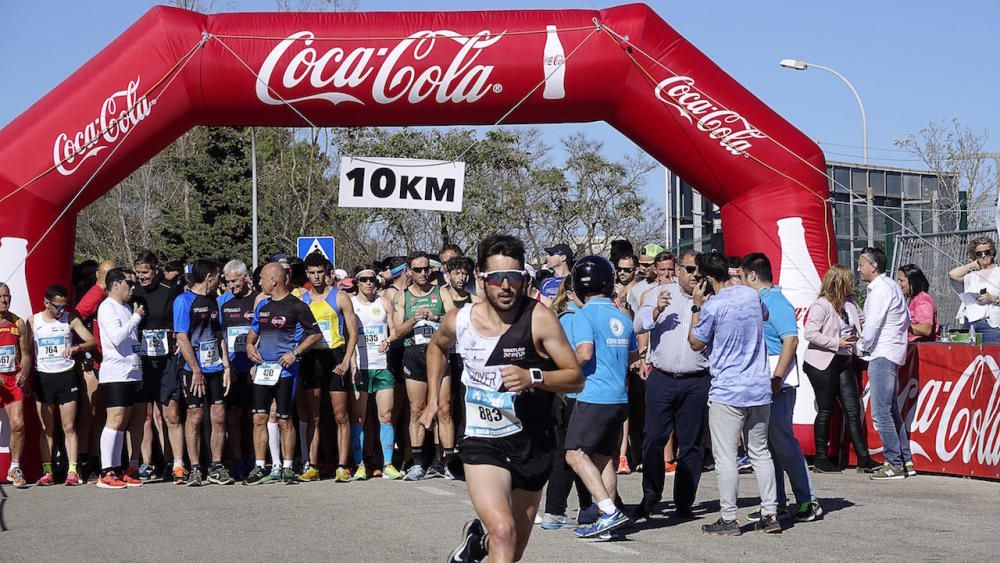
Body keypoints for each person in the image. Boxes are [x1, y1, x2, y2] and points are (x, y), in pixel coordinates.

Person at [420, 234, 583, 563]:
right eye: (497, 278)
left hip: (532, 443)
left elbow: (575, 377)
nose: (506, 286)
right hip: (482, 441)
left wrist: (533, 376)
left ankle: (477, 546)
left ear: (524, 278)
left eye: (514, 277)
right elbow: (436, 347)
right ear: (481, 278)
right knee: (504, 531)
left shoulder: (539, 318)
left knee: (510, 550)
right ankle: (488, 540)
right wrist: (432, 399)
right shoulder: (460, 320)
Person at [688, 251, 780, 535]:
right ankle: (770, 513)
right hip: (758, 386)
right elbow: (765, 315)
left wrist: (696, 307)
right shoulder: (751, 296)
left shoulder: (713, 306)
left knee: (726, 456)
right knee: (760, 452)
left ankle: (728, 518)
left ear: (706, 278)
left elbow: (695, 342)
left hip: (728, 389)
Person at [740, 253, 822, 523]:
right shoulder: (760, 300)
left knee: (783, 443)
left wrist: (776, 378)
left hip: (778, 385)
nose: (740, 281)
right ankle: (774, 503)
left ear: (753, 275)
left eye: (742, 276)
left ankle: (807, 500)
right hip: (763, 384)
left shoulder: (776, 302)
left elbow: (791, 341)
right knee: (767, 446)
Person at [563, 256, 640, 539]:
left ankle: (608, 511)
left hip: (594, 396)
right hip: (619, 398)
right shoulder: (623, 316)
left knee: (574, 454)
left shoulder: (584, 315)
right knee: (603, 460)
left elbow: (583, 353)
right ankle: (609, 525)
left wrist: (561, 366)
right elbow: (633, 357)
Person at [632, 250, 710, 522]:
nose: (694, 276)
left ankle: (684, 503)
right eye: (689, 270)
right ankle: (650, 497)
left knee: (691, 446)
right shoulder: (659, 293)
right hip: (662, 378)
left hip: (696, 380)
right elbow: (638, 324)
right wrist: (656, 310)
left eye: (698, 272)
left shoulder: (710, 299)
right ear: (678, 270)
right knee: (653, 439)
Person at [244, 263, 323, 485]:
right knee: (259, 417)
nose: (259, 283)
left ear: (274, 280)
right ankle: (261, 466)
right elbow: (253, 333)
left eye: (262, 278)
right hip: (263, 371)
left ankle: (287, 467)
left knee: (284, 419)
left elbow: (315, 334)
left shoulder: (297, 306)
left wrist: (294, 353)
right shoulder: (263, 306)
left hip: (285, 372)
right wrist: (250, 346)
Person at [802, 264, 877, 473]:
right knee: (826, 409)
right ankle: (821, 458)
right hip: (821, 362)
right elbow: (810, 333)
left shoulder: (851, 303)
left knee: (852, 408)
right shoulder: (822, 305)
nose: (852, 286)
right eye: (849, 282)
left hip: (844, 360)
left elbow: (863, 322)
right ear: (840, 283)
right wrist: (836, 342)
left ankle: (863, 458)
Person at [394, 251, 454, 481]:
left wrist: (435, 318)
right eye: (417, 269)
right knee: (417, 408)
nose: (422, 273)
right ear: (409, 271)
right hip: (414, 353)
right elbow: (396, 331)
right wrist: (414, 320)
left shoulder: (441, 292)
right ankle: (418, 463)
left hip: (438, 351)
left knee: (444, 408)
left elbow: (454, 320)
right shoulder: (403, 297)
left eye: (426, 268)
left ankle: (446, 462)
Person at [297, 252, 357, 483]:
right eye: (312, 273)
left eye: (320, 272)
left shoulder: (340, 297)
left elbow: (352, 333)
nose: (316, 277)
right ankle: (312, 465)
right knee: (314, 417)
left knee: (341, 415)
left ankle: (343, 465)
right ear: (307, 274)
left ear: (327, 272)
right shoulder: (302, 299)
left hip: (335, 357)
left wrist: (345, 360)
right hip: (312, 359)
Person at [29, 284, 97, 486]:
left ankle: (73, 470)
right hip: (44, 377)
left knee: (69, 426)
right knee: (47, 428)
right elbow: (24, 350)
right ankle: (47, 470)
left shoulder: (70, 318)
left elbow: (91, 341)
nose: (61, 310)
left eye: (64, 306)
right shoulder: (34, 321)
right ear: (46, 303)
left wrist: (77, 347)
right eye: (57, 306)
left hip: (66, 376)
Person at [539, 277, 592, 530]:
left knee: (577, 453)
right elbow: (581, 355)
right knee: (570, 454)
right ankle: (556, 510)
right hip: (569, 396)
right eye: (586, 291)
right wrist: (568, 372)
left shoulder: (567, 316)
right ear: (570, 294)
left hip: (570, 394)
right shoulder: (572, 317)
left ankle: (586, 507)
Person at [174, 259, 233, 486]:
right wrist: (196, 370)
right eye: (218, 276)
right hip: (193, 368)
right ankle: (196, 467)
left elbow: (219, 336)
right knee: (195, 416)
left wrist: (226, 366)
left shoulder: (213, 301)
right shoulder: (183, 301)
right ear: (209, 276)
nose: (220, 280)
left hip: (215, 366)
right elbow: (182, 337)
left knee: (218, 415)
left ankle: (216, 466)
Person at [857, 247, 914, 480]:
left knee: (881, 412)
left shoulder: (880, 290)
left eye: (861, 263)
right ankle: (905, 460)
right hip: (893, 351)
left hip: (882, 353)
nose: (858, 267)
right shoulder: (891, 286)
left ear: (874, 265)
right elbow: (907, 319)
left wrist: (861, 346)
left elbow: (871, 327)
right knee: (890, 409)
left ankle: (894, 462)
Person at [132, 251, 183, 483]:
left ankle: (176, 463)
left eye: (145, 272)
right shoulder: (134, 292)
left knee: (170, 414)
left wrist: (176, 341)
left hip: (165, 360)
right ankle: (144, 463)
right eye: (138, 272)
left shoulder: (169, 288)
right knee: (144, 415)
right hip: (142, 361)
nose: (141, 277)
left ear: (155, 270)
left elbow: (179, 321)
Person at [95, 268, 146, 489]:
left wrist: (139, 370)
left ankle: (116, 468)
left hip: (129, 370)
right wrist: (136, 318)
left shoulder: (125, 307)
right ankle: (105, 471)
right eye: (129, 283)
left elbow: (132, 340)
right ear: (115, 284)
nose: (133, 287)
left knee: (123, 420)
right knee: (114, 419)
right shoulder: (107, 307)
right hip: (114, 371)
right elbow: (116, 337)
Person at [350, 266, 402, 480]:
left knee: (386, 416)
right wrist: (352, 364)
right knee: (359, 418)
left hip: (382, 366)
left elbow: (394, 330)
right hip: (361, 366)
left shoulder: (384, 303)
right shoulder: (350, 303)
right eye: (364, 280)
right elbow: (348, 335)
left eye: (372, 279)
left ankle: (388, 463)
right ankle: (360, 464)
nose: (369, 283)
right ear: (357, 282)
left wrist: (389, 341)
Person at [73, 259, 115, 481]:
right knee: (89, 412)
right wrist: (85, 345)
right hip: (91, 361)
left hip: (108, 361)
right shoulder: (95, 293)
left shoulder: (113, 296)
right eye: (107, 275)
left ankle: (98, 457)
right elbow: (76, 315)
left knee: (102, 413)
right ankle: (81, 459)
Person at [218, 260, 257, 480]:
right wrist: (227, 365)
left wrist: (256, 364)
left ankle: (254, 458)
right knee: (233, 416)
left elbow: (262, 332)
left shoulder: (258, 299)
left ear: (245, 278)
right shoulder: (223, 302)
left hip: (253, 367)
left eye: (235, 281)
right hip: (232, 367)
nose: (231, 285)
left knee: (254, 416)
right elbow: (219, 336)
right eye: (228, 281)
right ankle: (238, 460)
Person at [0, 283, 32, 488]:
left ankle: (15, 467)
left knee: (18, 425)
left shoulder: (18, 322)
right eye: (1, 296)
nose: (5, 300)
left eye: (7, 296)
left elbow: (27, 354)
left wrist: (24, 371)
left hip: (11, 380)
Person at [948, 236, 1000, 343]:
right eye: (979, 254)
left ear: (992, 252)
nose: (984, 256)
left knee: (991, 356)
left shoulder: (998, 272)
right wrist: (972, 265)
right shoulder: (972, 275)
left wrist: (993, 298)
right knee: (967, 356)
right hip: (970, 322)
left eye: (987, 252)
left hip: (991, 324)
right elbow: (953, 274)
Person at [898, 264, 938, 343]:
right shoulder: (912, 299)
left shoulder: (923, 300)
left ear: (912, 282)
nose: (898, 284)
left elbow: (926, 329)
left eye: (901, 280)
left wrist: (901, 326)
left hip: (921, 350)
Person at [626, 244, 663, 315]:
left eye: (647, 265)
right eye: (641, 264)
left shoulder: (676, 285)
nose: (643, 268)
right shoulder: (635, 290)